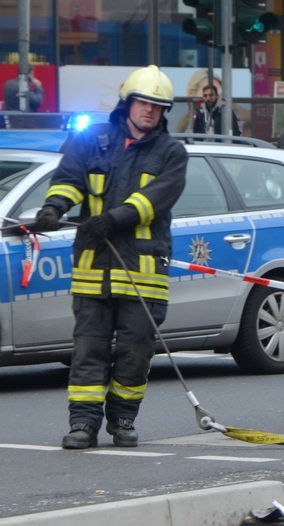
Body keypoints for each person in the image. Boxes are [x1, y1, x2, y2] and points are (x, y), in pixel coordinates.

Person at [27, 65, 188, 450]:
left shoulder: (172, 153)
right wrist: (53, 207)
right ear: (127, 103)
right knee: (88, 350)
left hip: (142, 270)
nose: (149, 110)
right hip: (94, 267)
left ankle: (122, 420)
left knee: (135, 352)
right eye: (143, 102)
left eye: (157, 106)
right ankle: (82, 425)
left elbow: (154, 201)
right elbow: (68, 178)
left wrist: (112, 219)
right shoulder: (92, 140)